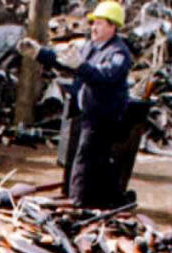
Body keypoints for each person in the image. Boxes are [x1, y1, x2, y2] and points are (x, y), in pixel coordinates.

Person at [21, 1, 132, 208]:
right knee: (96, 158)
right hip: (86, 110)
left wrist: (80, 66)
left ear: (112, 27)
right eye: (93, 23)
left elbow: (104, 76)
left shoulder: (119, 53)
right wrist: (39, 53)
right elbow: (66, 60)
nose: (93, 27)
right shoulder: (91, 46)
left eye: (99, 23)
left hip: (103, 115)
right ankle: (115, 199)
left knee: (85, 157)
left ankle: (77, 202)